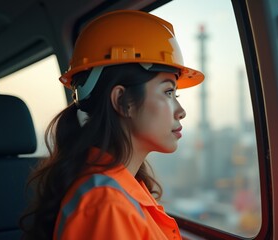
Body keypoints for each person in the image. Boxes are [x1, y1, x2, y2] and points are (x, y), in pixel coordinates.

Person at [20, 10, 204, 239]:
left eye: (176, 95)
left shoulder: (122, 188)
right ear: (122, 101)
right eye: (167, 92)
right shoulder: (107, 205)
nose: (181, 112)